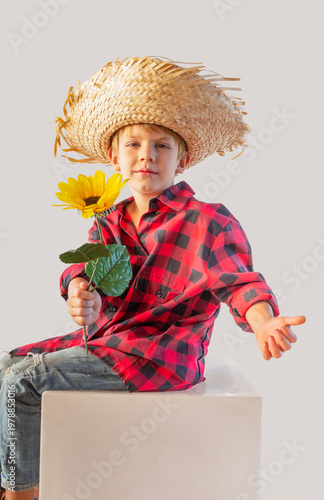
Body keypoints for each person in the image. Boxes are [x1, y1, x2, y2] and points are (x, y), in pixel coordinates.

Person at [0, 56, 306, 498]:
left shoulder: (208, 220)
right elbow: (84, 272)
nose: (147, 155)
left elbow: (240, 282)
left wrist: (263, 321)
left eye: (162, 146)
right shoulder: (107, 220)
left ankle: (20, 493)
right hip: (110, 340)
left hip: (163, 352)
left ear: (181, 160)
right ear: (114, 155)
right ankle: (17, 474)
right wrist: (79, 290)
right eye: (134, 144)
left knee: (22, 382)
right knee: (6, 366)